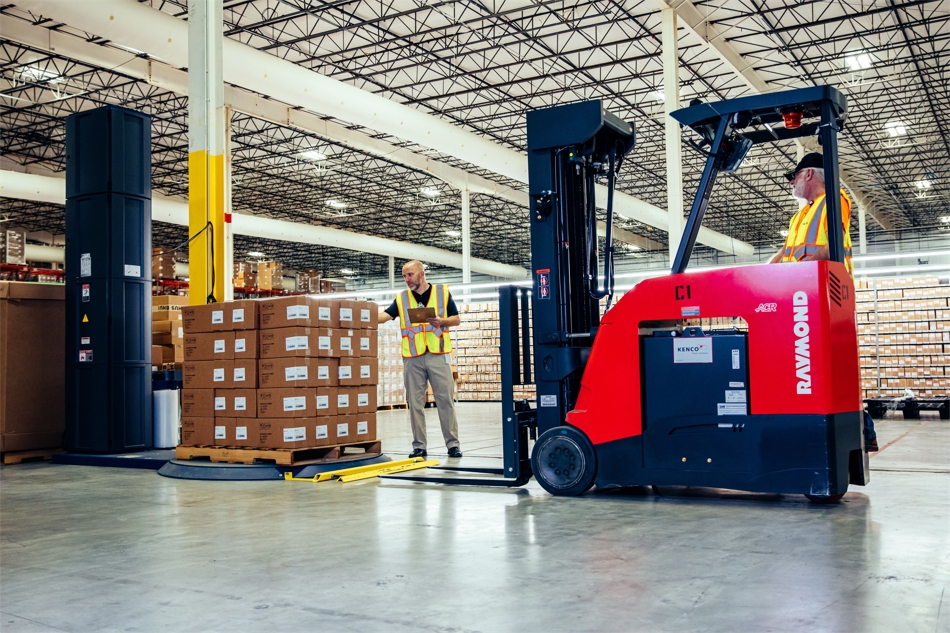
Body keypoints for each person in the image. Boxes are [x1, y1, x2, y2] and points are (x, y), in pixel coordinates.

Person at [770, 152, 878, 451]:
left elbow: (832, 246)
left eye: (793, 176)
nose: (790, 183)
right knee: (805, 366)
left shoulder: (835, 200)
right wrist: (762, 276)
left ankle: (861, 428)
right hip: (798, 293)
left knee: (824, 365)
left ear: (808, 175)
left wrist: (797, 272)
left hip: (825, 293)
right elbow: (785, 253)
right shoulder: (800, 214)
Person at [379, 260, 463, 459]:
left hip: (438, 354)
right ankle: (419, 446)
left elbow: (456, 319)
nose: (407, 280)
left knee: (445, 401)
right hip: (413, 357)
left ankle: (453, 445)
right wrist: (361, 314)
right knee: (415, 403)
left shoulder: (442, 293)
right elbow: (384, 316)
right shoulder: (402, 299)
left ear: (421, 274)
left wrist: (442, 321)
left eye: (410, 275)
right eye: (404, 276)